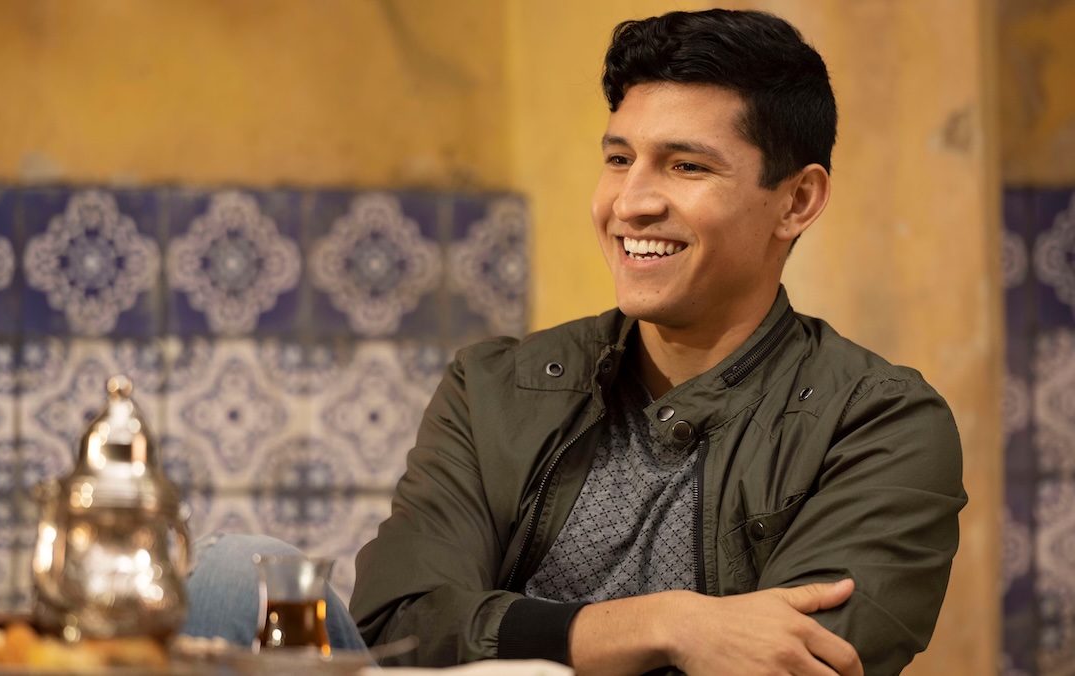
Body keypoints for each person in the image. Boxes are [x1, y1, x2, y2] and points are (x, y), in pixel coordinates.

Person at [347, 8, 966, 676]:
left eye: (686, 166)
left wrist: (521, 636)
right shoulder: (493, 388)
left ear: (797, 201)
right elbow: (396, 630)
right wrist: (668, 625)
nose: (630, 203)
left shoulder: (878, 425)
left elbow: (792, 664)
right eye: (619, 159)